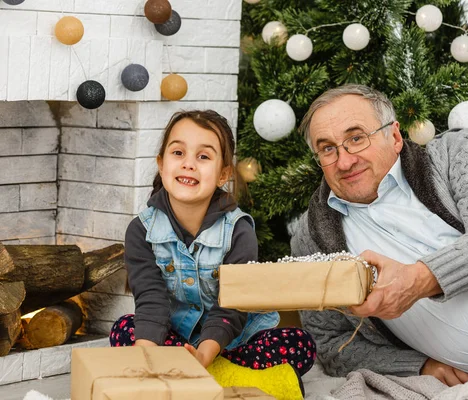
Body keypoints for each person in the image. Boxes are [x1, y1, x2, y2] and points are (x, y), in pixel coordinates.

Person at [290, 84, 468, 393]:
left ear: (394, 136)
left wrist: (418, 279)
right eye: (327, 148)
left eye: (356, 139)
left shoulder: (454, 152)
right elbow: (331, 344)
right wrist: (419, 366)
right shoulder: (311, 238)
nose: (345, 161)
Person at [111, 110, 315, 399]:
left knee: (300, 344)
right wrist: (145, 351)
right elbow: (150, 297)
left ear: (223, 173)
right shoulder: (140, 230)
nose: (188, 164)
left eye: (203, 157)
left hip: (234, 338)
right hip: (177, 338)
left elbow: (232, 305)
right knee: (124, 330)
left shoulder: (238, 230)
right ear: (161, 163)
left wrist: (205, 353)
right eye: (178, 152)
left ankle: (206, 372)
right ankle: (227, 377)